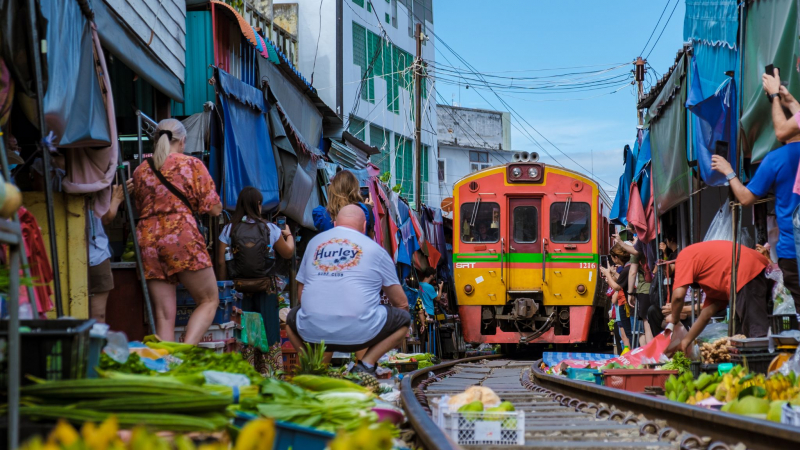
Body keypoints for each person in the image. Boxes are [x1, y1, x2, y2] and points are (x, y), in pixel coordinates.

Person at [712, 68, 800, 313]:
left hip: (792, 252)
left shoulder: (775, 159)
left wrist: (729, 171)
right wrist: (786, 97)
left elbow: (745, 198)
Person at [285, 205, 410, 374]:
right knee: (403, 319)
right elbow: (401, 304)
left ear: (335, 223)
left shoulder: (314, 243)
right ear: (364, 226)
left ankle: (311, 365)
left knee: (290, 319)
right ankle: (366, 364)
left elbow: (301, 294)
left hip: (313, 333)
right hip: (361, 336)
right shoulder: (376, 250)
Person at [132, 119, 223, 345]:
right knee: (209, 300)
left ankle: (166, 366)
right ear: (182, 141)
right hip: (180, 235)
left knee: (163, 315)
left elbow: (139, 207)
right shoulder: (191, 164)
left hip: (147, 239)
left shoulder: (140, 171)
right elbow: (213, 208)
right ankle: (184, 352)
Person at [218, 187, 294, 349]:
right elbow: (287, 253)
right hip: (266, 287)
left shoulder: (229, 229)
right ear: (258, 204)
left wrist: (225, 287)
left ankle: (245, 362)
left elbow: (220, 261)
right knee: (268, 329)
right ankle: (269, 367)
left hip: (238, 289)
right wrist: (289, 235)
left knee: (242, 329)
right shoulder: (270, 228)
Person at [666, 241, 771, 353]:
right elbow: (705, 316)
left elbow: (678, 296)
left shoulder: (683, 257)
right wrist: (685, 342)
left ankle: (763, 366)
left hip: (746, 270)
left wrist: (674, 319)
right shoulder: (714, 281)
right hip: (760, 266)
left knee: (757, 332)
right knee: (743, 334)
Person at [88, 183, 130, 322]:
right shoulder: (97, 176)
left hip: (96, 253)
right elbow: (106, 217)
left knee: (97, 315)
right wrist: (117, 199)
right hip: (96, 252)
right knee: (97, 315)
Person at [313, 170, 374, 236]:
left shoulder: (321, 215)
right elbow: (369, 239)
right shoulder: (365, 211)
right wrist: (369, 208)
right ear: (355, 189)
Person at [599, 244, 633, 353]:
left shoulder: (627, 268)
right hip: (628, 303)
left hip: (626, 304)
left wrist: (607, 274)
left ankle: (632, 356)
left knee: (628, 333)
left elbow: (616, 287)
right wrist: (613, 273)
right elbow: (622, 281)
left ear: (617, 258)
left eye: (613, 258)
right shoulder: (628, 267)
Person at [415, 267, 443, 335]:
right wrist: (440, 288)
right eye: (434, 275)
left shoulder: (418, 284)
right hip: (429, 313)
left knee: (421, 333)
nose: (434, 276)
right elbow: (438, 298)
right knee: (428, 335)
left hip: (420, 311)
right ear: (431, 275)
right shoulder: (429, 287)